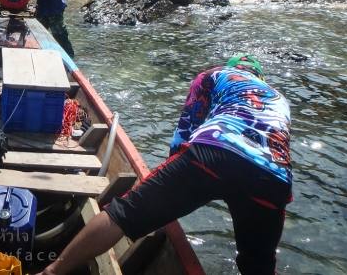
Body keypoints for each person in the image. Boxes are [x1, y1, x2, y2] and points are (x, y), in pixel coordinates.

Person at [41, 54, 292, 275]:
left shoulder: (215, 75)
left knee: (124, 213)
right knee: (258, 265)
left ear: (232, 67)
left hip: (214, 153)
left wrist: (168, 186)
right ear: (259, 77)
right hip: (274, 178)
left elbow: (186, 129)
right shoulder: (280, 99)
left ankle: (52, 272)